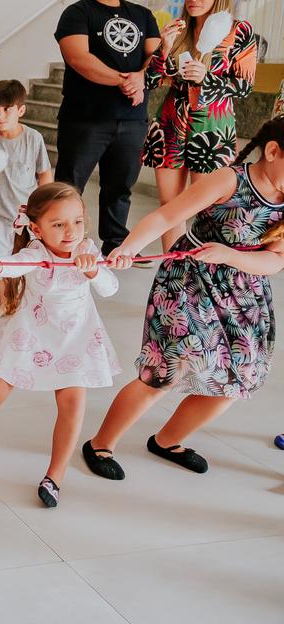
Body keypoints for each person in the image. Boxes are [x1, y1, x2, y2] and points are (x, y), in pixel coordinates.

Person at [83, 117, 284, 481]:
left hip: (245, 292)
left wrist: (230, 255)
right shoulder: (230, 179)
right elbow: (166, 216)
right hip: (189, 280)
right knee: (166, 370)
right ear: (273, 151)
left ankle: (166, 440)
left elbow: (275, 259)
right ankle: (100, 443)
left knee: (237, 381)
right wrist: (128, 248)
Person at [0, 183, 120, 507]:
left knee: (72, 406)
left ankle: (55, 476)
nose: (71, 231)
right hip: (30, 334)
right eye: (59, 224)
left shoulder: (87, 250)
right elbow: (13, 264)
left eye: (77, 221)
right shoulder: (36, 253)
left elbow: (110, 288)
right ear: (36, 228)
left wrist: (94, 269)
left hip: (75, 339)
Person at [141, 0, 257, 252]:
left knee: (208, 206)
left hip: (212, 126)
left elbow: (244, 86)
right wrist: (164, 48)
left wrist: (209, 78)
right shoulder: (178, 28)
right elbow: (151, 81)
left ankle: (201, 276)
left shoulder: (238, 31)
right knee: (170, 204)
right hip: (170, 121)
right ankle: (172, 268)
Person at [54, 0, 161, 255]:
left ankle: (116, 244)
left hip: (132, 118)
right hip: (85, 117)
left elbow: (156, 56)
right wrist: (128, 80)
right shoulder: (77, 13)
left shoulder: (142, 15)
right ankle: (57, 247)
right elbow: (79, 59)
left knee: (120, 188)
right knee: (68, 187)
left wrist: (142, 77)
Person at [0, 79, 52, 321]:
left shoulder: (33, 138)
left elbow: (44, 173)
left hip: (28, 215)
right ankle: (4, 302)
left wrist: (43, 209)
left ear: (21, 110)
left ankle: (32, 302)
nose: (0, 116)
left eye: (7, 109)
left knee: (32, 261)